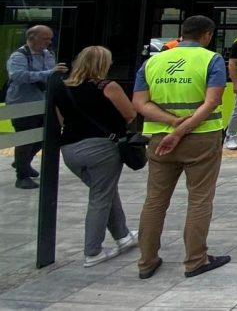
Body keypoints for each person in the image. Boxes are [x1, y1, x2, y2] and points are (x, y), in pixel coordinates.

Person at [133, 14, 230, 279]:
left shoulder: (153, 61)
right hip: (201, 139)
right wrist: (181, 130)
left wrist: (171, 123)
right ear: (207, 35)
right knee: (199, 199)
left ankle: (146, 261)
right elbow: (211, 102)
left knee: (154, 201)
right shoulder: (212, 59)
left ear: (182, 33)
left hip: (158, 140)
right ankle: (195, 260)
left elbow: (140, 103)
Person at [49, 46, 138, 267]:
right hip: (102, 148)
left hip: (70, 149)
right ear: (103, 64)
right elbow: (130, 114)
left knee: (104, 192)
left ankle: (123, 236)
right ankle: (93, 251)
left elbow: (60, 121)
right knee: (100, 197)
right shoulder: (107, 86)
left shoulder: (61, 88)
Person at [5, 25, 66, 189]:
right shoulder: (18, 56)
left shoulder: (48, 54)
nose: (49, 42)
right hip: (23, 104)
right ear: (32, 38)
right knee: (25, 139)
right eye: (45, 38)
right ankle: (22, 176)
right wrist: (49, 73)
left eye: (50, 38)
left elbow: (51, 76)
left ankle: (22, 162)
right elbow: (19, 76)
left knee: (46, 136)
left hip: (44, 103)